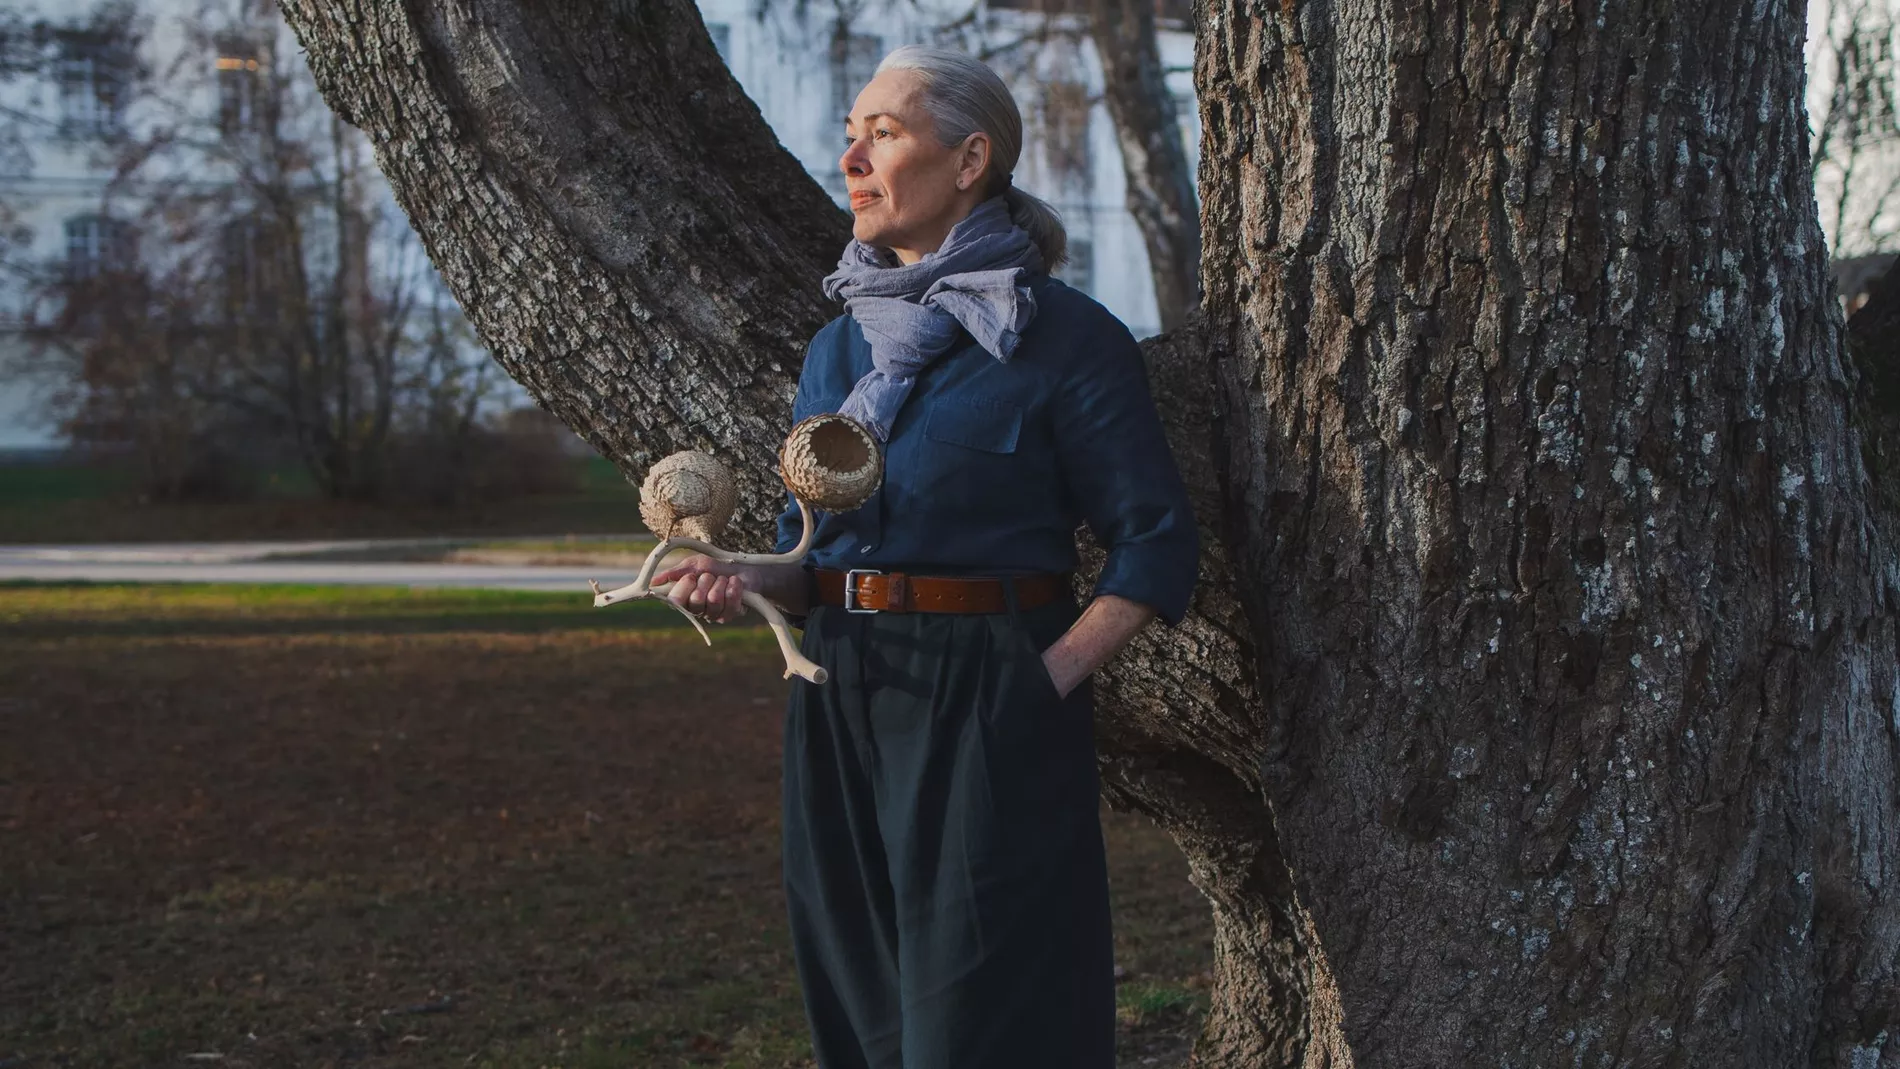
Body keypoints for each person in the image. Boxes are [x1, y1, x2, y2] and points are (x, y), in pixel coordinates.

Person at [652, 44, 1198, 1069]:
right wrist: (740, 580)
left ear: (969, 160)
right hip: (838, 681)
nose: (849, 156)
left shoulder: (1066, 339)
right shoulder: (838, 351)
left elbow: (1155, 546)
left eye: (883, 133)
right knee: (860, 995)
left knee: (983, 1011)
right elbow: (804, 558)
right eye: (851, 133)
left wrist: (1039, 684)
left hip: (989, 688)